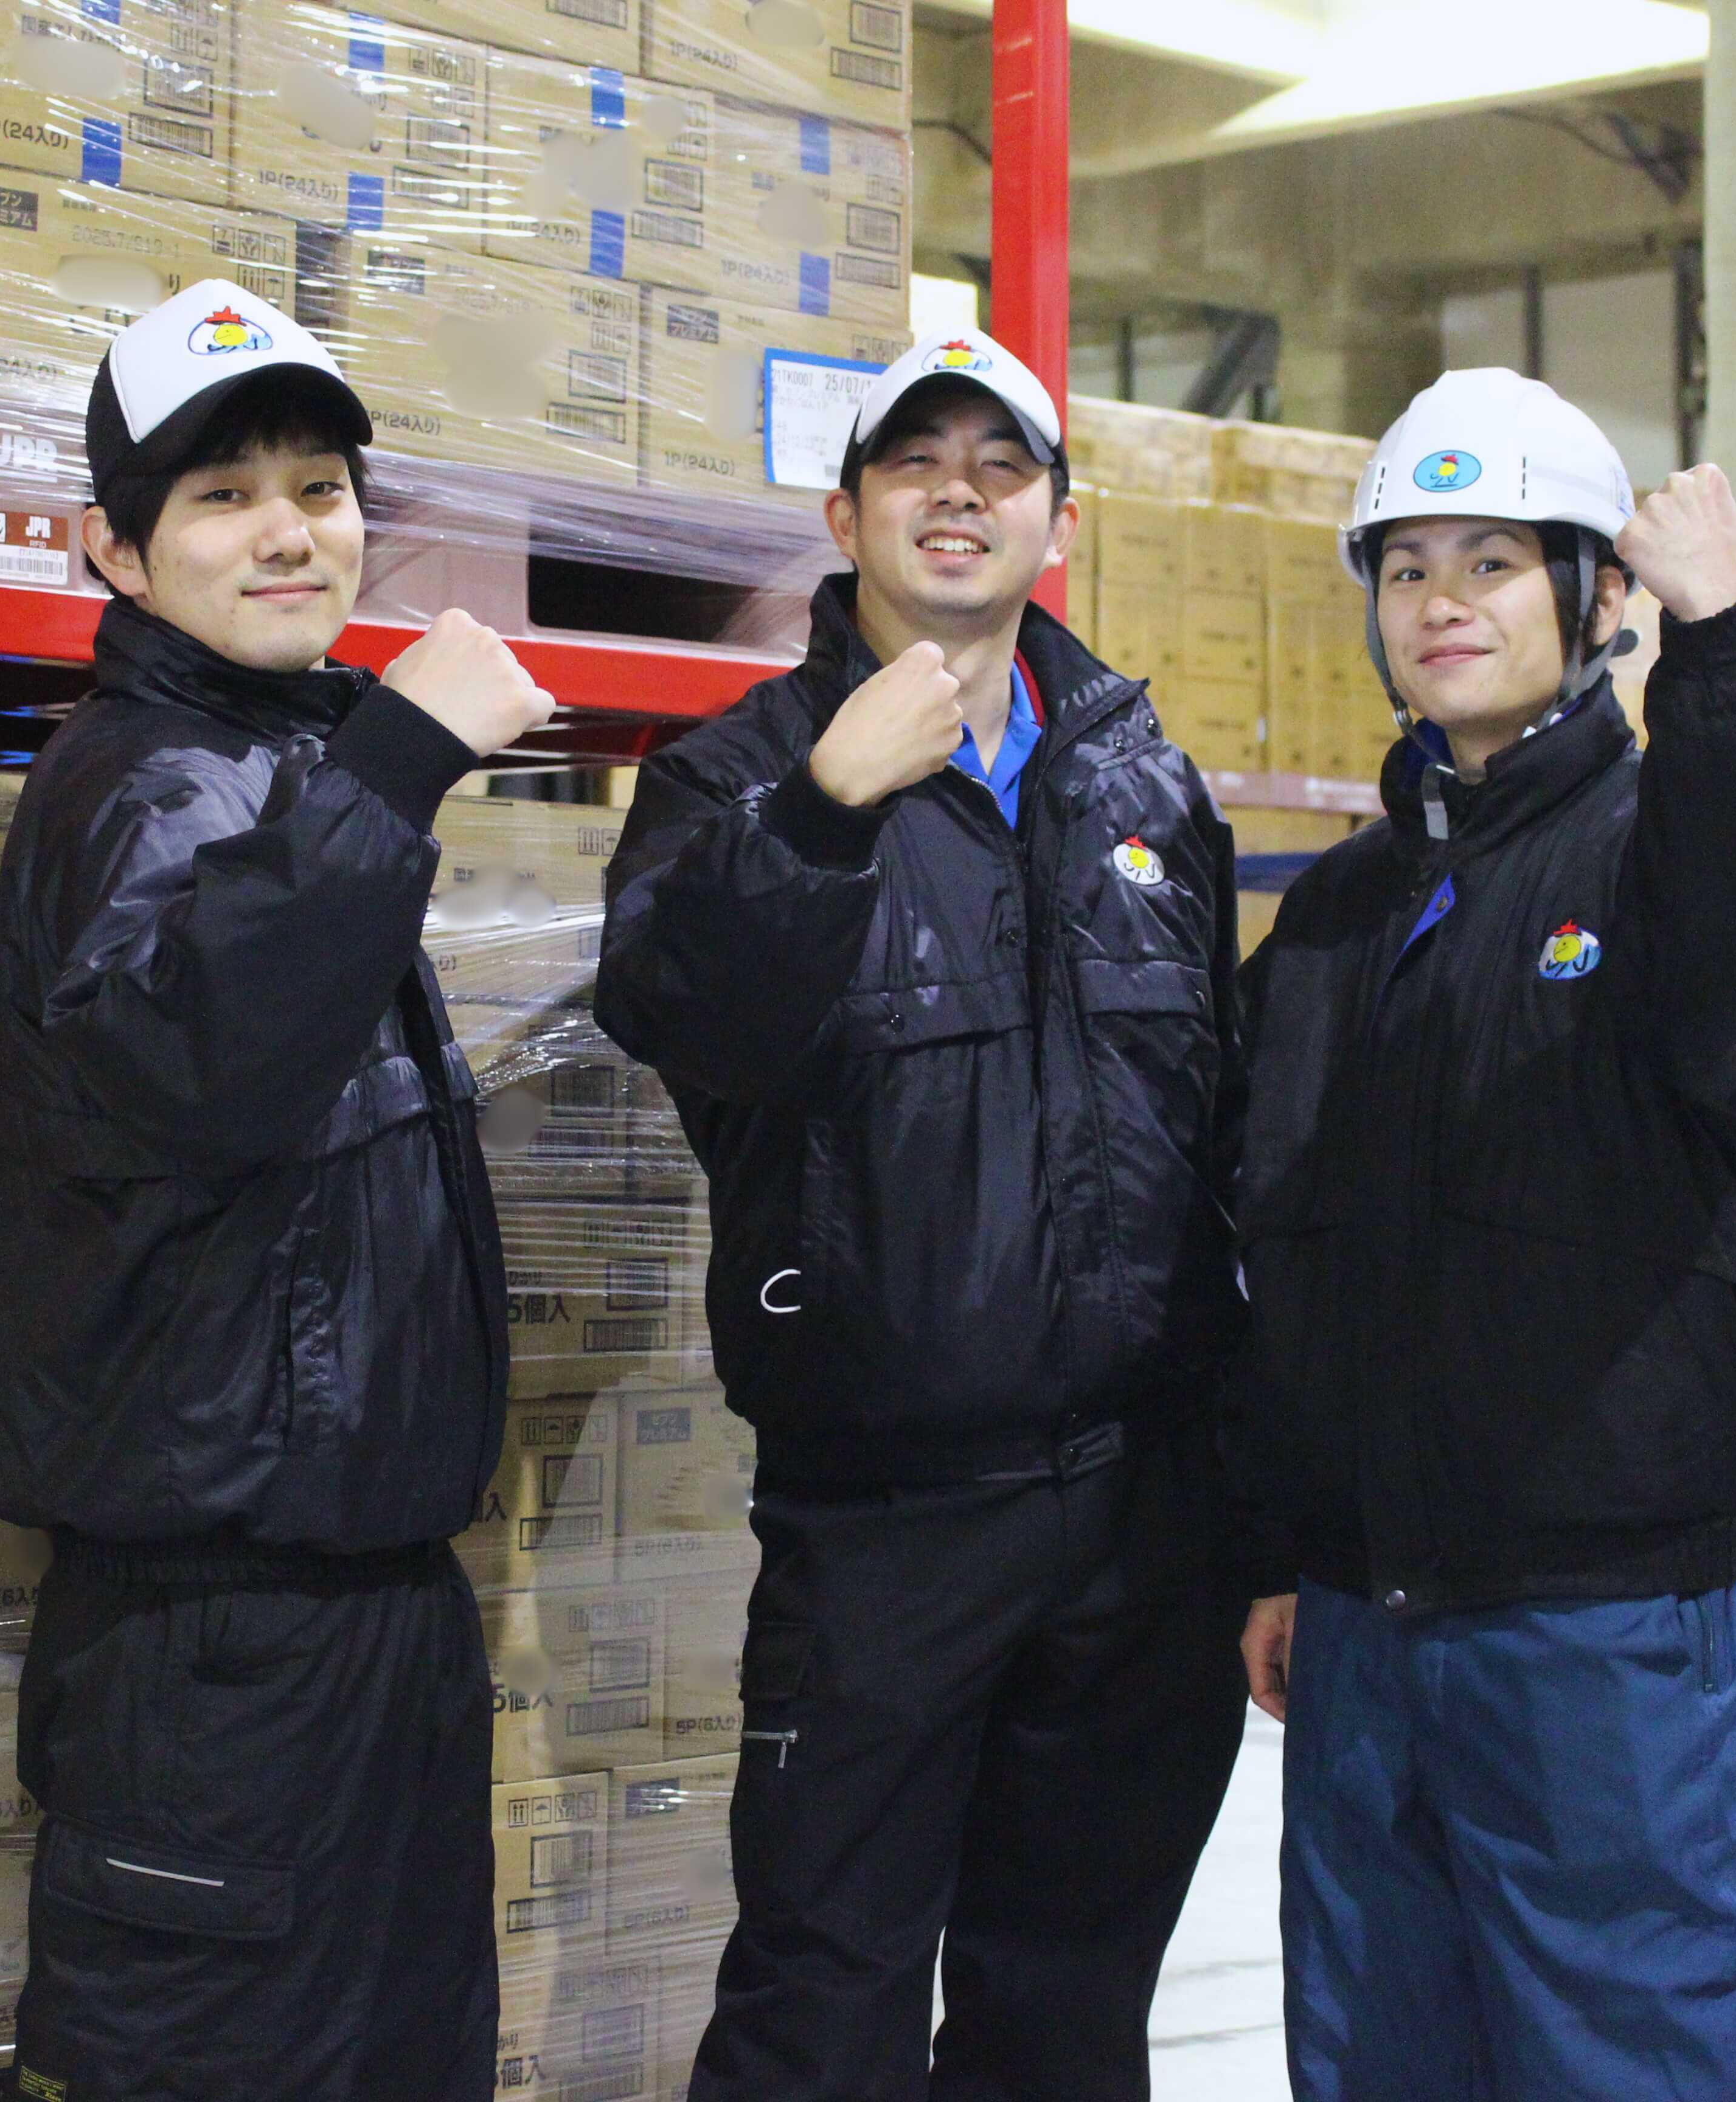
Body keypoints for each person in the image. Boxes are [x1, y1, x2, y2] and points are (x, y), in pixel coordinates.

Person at [594, 330, 1251, 2102]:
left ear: (1059, 524)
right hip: (886, 1519)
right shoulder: (736, 777)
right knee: (827, 2004)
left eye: (1002, 467)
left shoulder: (1142, 782)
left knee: (1071, 2005)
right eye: (915, 463)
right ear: (845, 517)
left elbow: (1221, 1136)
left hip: (1139, 1515)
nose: (960, 494)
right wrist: (827, 810)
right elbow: (679, 1014)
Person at [1224, 368, 1736, 2101]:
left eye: (1494, 562)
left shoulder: (1658, 859)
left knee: (1634, 2054)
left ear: (1595, 599)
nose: (1442, 602)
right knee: (1378, 2056)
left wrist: (1729, 642)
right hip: (1361, 1622)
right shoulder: (1341, 913)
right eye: (1408, 567)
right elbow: (1272, 1248)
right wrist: (1281, 1544)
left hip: (1592, 1630)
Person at [0, 280, 557, 2102]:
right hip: (217, 1655)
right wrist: (402, 758)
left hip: (362, 1627)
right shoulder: (139, 786)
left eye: (319, 486)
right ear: (117, 553)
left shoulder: (272, 766)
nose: (290, 530)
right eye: (222, 495)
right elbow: (205, 1058)